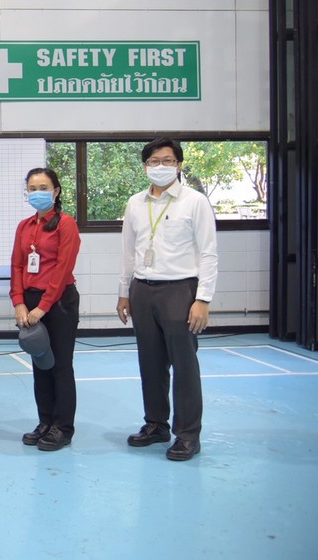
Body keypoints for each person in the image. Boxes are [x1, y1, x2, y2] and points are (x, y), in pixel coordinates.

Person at [116, 138, 217, 462]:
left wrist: (202, 299)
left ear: (179, 165)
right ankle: (156, 424)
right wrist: (124, 292)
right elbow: (128, 253)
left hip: (180, 290)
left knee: (184, 366)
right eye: (154, 161)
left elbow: (208, 253)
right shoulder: (135, 203)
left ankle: (187, 435)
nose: (160, 166)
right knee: (151, 363)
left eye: (167, 160)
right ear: (145, 166)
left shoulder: (195, 202)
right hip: (142, 290)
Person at [10, 167, 81, 451]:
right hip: (30, 300)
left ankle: (62, 427)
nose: (37, 193)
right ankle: (45, 421)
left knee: (60, 365)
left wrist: (43, 307)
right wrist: (18, 301)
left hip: (59, 302)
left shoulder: (66, 224)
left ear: (56, 191)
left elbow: (63, 269)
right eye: (32, 188)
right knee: (40, 364)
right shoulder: (24, 226)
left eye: (43, 188)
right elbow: (17, 265)